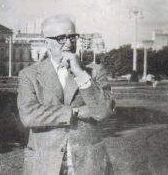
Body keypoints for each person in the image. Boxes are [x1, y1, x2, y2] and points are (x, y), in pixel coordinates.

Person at [17, 15, 115, 175]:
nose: (69, 43)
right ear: (46, 42)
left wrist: (79, 72)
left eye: (72, 37)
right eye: (61, 38)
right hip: (44, 163)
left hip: (89, 163)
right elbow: (28, 116)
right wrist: (74, 112)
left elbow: (103, 111)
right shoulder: (28, 75)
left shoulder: (94, 71)